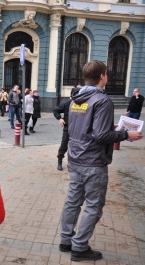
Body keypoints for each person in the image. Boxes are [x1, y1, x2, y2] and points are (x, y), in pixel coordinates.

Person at [59, 60, 143, 262]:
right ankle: (79, 248)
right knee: (93, 205)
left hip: (75, 157)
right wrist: (124, 134)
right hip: (92, 161)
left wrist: (107, 126)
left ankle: (66, 241)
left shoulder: (76, 99)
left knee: (73, 201)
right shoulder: (102, 100)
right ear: (103, 76)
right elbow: (100, 136)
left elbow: (83, 128)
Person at [53, 87, 81, 171]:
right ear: (72, 95)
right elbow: (56, 110)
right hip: (68, 128)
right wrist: (60, 118)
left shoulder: (83, 104)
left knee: (77, 146)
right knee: (64, 145)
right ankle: (59, 161)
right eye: (76, 95)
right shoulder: (66, 103)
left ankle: (75, 163)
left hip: (79, 129)